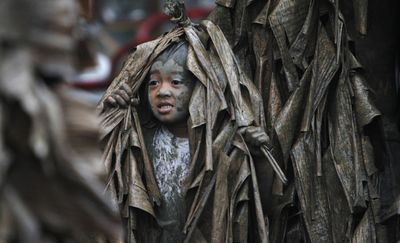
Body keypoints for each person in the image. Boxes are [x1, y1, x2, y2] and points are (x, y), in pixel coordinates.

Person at [101, 30, 273, 242]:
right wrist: (109, 119)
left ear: (199, 88)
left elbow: (262, 203)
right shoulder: (138, 140)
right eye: (153, 83)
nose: (162, 91)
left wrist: (259, 158)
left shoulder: (219, 145)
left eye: (175, 82)